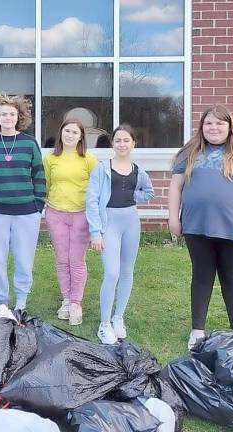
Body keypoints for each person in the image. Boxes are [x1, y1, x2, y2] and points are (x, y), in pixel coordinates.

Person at [168, 104, 233, 350]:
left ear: (229, 126)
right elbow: (175, 186)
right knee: (202, 276)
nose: (213, 128)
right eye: (208, 123)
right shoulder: (190, 150)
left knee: (231, 277)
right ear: (201, 127)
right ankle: (197, 331)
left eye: (219, 123)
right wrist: (173, 217)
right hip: (197, 226)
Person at [0, 93, 46, 320]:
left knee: (24, 259)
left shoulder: (29, 143)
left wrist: (38, 205)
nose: (8, 117)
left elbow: (39, 175)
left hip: (27, 212)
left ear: (19, 116)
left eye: (12, 114)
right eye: (3, 113)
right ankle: (2, 303)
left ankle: (21, 302)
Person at [86, 124, 154, 344]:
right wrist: (95, 232)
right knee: (112, 273)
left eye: (126, 140)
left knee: (127, 272)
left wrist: (134, 194)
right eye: (118, 140)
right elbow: (92, 200)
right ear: (112, 144)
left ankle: (118, 317)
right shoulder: (102, 168)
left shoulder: (138, 170)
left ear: (133, 143)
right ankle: (104, 324)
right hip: (109, 225)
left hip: (131, 222)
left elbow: (148, 192)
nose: (122, 144)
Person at [43, 119, 97, 325]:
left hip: (81, 214)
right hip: (56, 213)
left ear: (81, 136)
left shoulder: (88, 159)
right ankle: (66, 299)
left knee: (76, 259)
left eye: (75, 132)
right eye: (67, 131)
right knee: (62, 258)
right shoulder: (50, 158)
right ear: (61, 133)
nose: (70, 135)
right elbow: (46, 183)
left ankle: (76, 302)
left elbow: (97, 188)